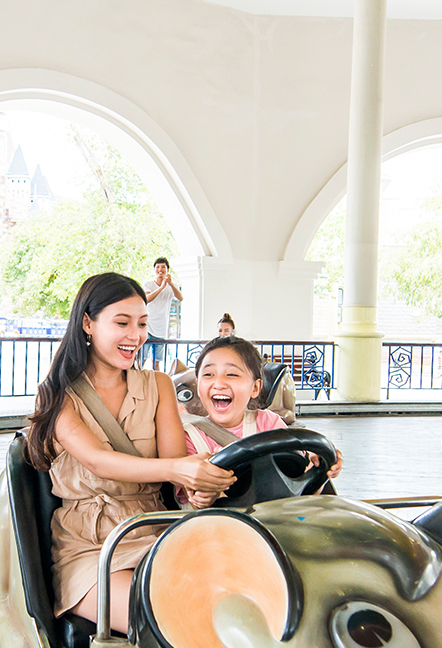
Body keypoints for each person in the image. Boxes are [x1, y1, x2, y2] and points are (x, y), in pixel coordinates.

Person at [26, 272, 232, 628]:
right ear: (88, 324)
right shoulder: (58, 395)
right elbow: (97, 460)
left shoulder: (159, 385)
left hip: (156, 529)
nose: (136, 336)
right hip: (92, 545)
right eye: (122, 323)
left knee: (233, 603)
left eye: (142, 323)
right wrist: (177, 470)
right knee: (168, 617)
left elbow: (175, 465)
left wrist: (198, 489)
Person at [177, 335, 339, 507]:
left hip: (276, 522)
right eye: (209, 374)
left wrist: (321, 468)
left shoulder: (269, 423)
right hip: (221, 527)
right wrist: (206, 494)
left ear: (255, 388)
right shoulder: (189, 437)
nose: (219, 383)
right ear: (198, 386)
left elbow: (301, 490)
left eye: (232, 374)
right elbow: (192, 504)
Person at [144, 256, 183, 369]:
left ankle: (157, 384)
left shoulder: (172, 286)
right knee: (143, 358)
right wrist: (161, 287)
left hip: (161, 328)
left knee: (157, 362)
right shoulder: (149, 284)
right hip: (148, 326)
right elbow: (146, 299)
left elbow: (180, 298)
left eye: (163, 267)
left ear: (167, 270)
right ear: (154, 269)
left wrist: (169, 284)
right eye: (158, 267)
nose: (160, 269)